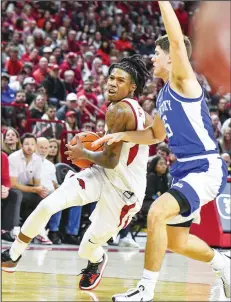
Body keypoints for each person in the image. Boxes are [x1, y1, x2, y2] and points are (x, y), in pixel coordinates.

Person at [93, 2, 230, 301]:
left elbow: (177, 39)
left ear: (172, 58)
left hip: (204, 167)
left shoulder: (184, 81)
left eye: (157, 53)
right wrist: (117, 135)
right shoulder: (164, 94)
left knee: (156, 213)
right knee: (177, 241)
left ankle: (145, 290)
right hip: (185, 170)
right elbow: (154, 135)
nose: (152, 58)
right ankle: (224, 264)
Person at [1, 55, 165, 291]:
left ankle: (97, 260)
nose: (112, 83)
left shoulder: (121, 110)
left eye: (120, 80)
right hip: (102, 175)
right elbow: (150, 138)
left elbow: (110, 159)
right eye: (111, 78)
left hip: (124, 193)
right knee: (48, 205)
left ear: (133, 87)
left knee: (86, 248)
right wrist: (101, 146)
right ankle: (13, 255)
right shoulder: (137, 111)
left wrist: (84, 151)